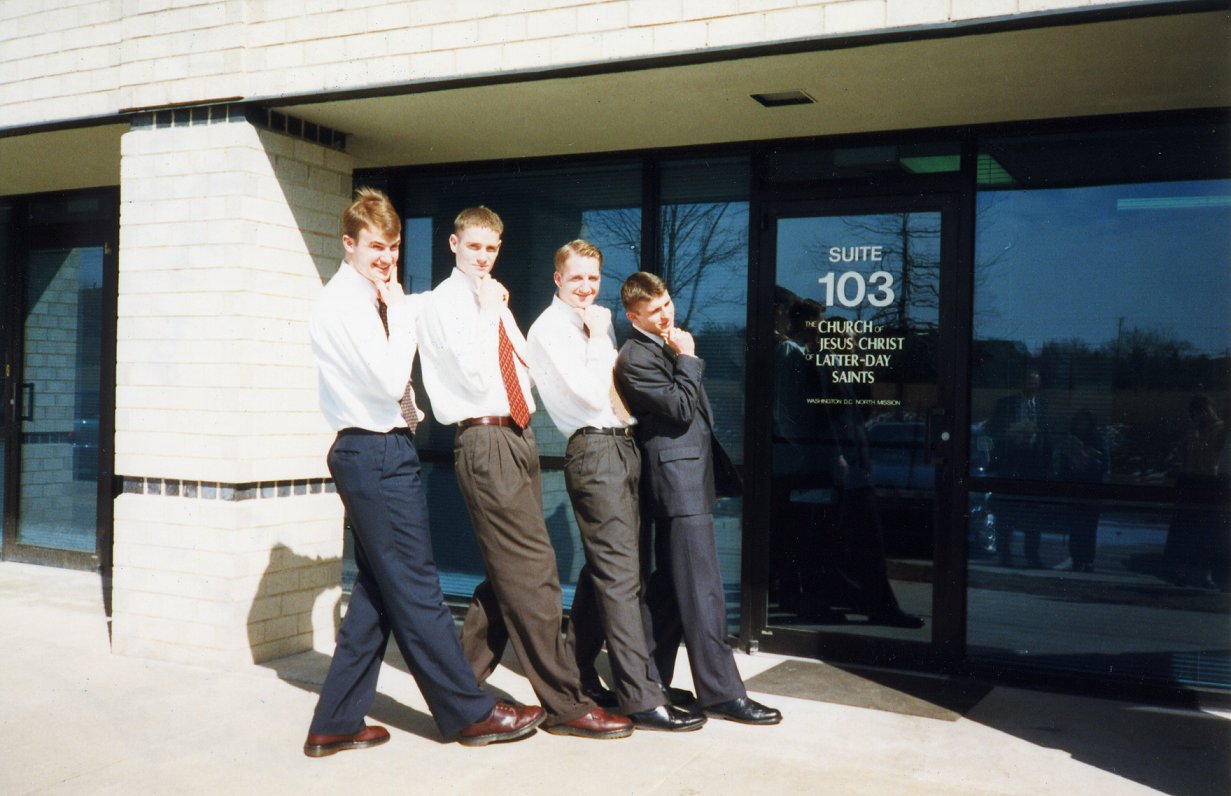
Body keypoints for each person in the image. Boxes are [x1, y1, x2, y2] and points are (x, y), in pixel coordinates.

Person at [303, 189, 544, 757]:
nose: (386, 258)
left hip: (375, 451)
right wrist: (403, 310)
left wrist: (433, 302)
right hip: (376, 453)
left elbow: (406, 340)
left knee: (377, 593)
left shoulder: (367, 298)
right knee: (417, 588)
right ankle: (469, 712)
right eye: (375, 247)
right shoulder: (347, 303)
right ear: (348, 244)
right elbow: (392, 381)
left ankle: (334, 722)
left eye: (393, 248)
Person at [417, 208, 633, 739]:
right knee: (534, 570)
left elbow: (522, 373)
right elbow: (473, 374)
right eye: (474, 246)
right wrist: (491, 311)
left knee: (507, 573)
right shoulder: (444, 303)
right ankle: (565, 703)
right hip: (485, 436)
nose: (483, 257)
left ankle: (458, 690)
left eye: (491, 248)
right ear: (453, 244)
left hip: (517, 436)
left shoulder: (494, 298)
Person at [526, 241, 705, 733]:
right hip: (594, 448)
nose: (586, 287)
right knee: (622, 578)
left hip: (622, 446)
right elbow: (590, 392)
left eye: (593, 277)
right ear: (557, 279)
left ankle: (578, 672)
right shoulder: (550, 329)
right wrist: (598, 334)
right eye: (576, 278)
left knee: (605, 573)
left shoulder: (592, 322)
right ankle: (641, 698)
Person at [614, 271, 782, 726]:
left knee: (672, 590)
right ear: (633, 317)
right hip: (677, 484)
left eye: (666, 303)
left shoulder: (662, 346)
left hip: (688, 481)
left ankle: (651, 682)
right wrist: (687, 356)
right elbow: (681, 407)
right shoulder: (636, 356)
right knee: (704, 592)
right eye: (654, 310)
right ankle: (722, 692)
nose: (665, 313)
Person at [987, 369, 1051, 567]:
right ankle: (1005, 554)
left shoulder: (1042, 406)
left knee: (1033, 515)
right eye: (1030, 383)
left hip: (1033, 467)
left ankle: (1032, 555)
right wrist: (1011, 433)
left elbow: (1046, 437)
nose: (1033, 387)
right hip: (1011, 463)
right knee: (1006, 512)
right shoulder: (1006, 404)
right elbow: (993, 429)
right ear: (1022, 383)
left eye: (1036, 383)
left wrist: (1047, 466)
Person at [1052, 409, 1108, 573]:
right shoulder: (1070, 441)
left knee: (1090, 527)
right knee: (1076, 527)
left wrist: (1091, 461)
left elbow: (1104, 465)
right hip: (1075, 488)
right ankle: (1077, 559)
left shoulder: (1097, 441)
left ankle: (1088, 560)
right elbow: (1062, 466)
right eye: (1079, 421)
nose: (1082, 424)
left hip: (1092, 488)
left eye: (1085, 421)